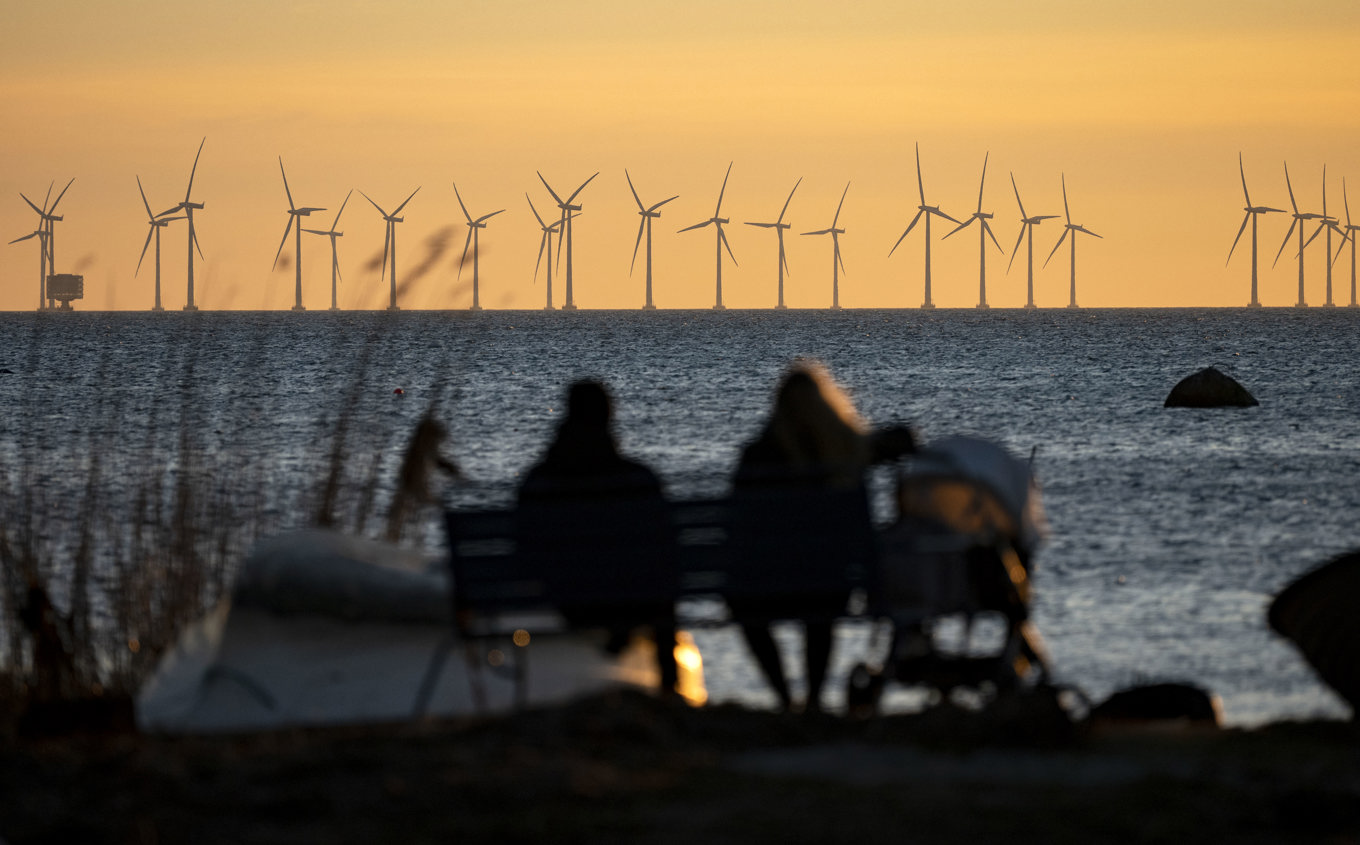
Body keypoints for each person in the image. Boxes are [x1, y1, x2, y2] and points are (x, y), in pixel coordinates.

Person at [732, 361, 908, 713]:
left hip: (769, 586)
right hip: (833, 585)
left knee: (743, 605)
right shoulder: (845, 456)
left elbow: (739, 525)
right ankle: (813, 699)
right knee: (821, 602)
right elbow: (897, 442)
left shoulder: (758, 456)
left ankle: (785, 698)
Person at [517, 380, 680, 694]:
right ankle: (669, 685)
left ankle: (624, 630)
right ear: (610, 415)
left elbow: (524, 547)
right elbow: (665, 548)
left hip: (564, 597)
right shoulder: (637, 479)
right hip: (629, 597)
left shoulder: (539, 481)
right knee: (658, 578)